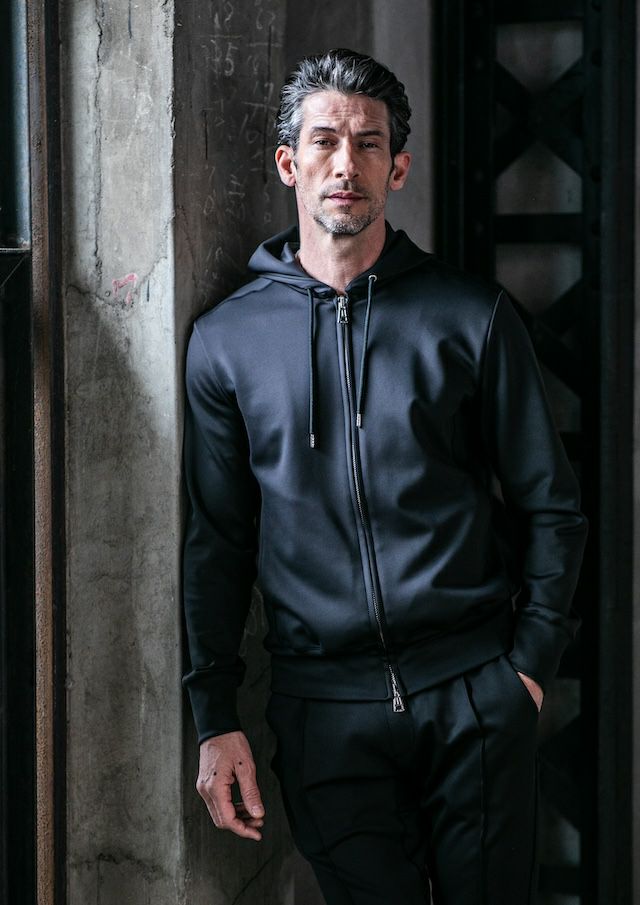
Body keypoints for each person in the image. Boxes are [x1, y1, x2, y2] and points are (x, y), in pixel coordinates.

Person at [182, 48, 587, 905]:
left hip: (474, 694)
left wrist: (525, 670)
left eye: (369, 144)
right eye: (325, 141)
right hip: (323, 713)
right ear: (288, 163)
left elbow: (552, 504)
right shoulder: (226, 342)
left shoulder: (471, 318)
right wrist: (215, 715)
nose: (346, 163)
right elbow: (217, 539)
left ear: (397, 168)